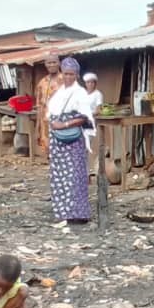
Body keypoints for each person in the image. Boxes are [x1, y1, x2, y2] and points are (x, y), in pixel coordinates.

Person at [48, 57, 96, 225]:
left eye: (71, 74)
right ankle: (63, 212)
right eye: (65, 73)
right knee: (59, 176)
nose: (68, 77)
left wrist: (64, 124)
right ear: (61, 73)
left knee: (74, 175)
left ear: (76, 75)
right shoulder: (60, 91)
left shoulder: (80, 93)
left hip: (72, 139)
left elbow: (84, 117)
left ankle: (78, 214)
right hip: (57, 141)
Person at [35, 52, 64, 155]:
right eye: (49, 62)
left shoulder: (66, 80)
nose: (52, 65)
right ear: (45, 64)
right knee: (50, 153)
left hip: (62, 123)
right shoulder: (42, 83)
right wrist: (38, 128)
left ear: (59, 63)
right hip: (46, 126)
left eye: (54, 62)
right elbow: (39, 106)